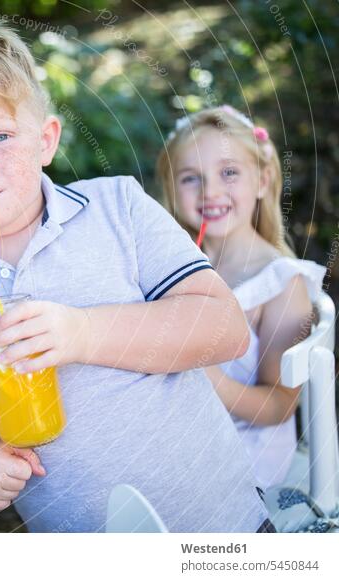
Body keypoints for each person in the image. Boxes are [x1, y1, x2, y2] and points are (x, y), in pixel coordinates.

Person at [0, 10, 271, 532]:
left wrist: (82, 331)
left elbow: (225, 329)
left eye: (3, 137)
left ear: (47, 140)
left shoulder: (118, 209)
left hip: (222, 526)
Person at [156, 105, 326, 489]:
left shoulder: (281, 283)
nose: (210, 191)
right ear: (171, 189)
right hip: (182, 437)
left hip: (244, 457)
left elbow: (280, 405)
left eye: (229, 173)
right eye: (190, 178)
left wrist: (205, 375)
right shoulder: (172, 267)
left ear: (263, 180)